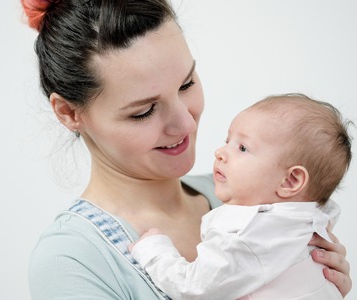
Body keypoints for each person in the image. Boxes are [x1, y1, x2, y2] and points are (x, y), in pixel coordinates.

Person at [20, 0, 352, 299]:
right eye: (144, 111)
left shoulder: (256, 200)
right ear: (68, 113)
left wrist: (317, 285)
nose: (187, 125)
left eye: (186, 84)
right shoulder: (72, 259)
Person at [130, 94, 353, 299]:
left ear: (290, 181)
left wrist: (154, 251)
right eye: (228, 141)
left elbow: (194, 288)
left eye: (243, 148)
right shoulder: (304, 226)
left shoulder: (250, 234)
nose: (220, 152)